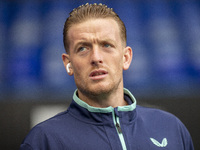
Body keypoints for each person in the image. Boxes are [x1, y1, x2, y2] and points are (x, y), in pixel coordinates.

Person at [20, 3, 194, 150]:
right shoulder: (43, 141)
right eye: (83, 48)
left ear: (126, 58)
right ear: (68, 63)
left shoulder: (171, 128)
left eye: (106, 45)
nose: (96, 58)